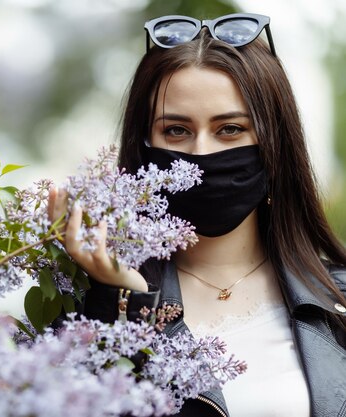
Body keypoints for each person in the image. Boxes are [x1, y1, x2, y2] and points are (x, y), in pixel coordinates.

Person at [48, 13, 346, 417]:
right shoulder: (86, 300)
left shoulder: (337, 300)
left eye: (229, 130)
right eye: (176, 130)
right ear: (145, 144)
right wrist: (123, 303)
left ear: (276, 141)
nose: (202, 153)